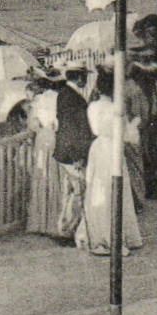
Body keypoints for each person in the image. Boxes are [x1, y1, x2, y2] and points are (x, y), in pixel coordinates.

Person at [78, 92, 143, 257]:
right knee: (116, 190)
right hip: (113, 149)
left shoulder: (92, 106)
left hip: (98, 148)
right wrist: (135, 123)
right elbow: (129, 136)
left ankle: (98, 234)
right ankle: (118, 236)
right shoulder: (117, 108)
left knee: (98, 190)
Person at [51, 67, 95, 238]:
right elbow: (72, 129)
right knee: (78, 191)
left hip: (65, 151)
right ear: (79, 77)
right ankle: (69, 229)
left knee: (69, 191)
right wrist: (77, 155)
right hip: (72, 153)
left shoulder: (66, 94)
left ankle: (64, 227)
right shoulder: (72, 98)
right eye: (84, 76)